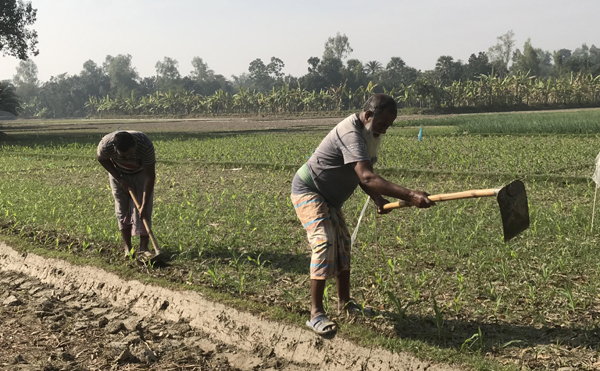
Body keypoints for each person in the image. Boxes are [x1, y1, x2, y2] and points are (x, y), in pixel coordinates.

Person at [291, 94, 435, 336]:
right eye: (381, 125)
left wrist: (378, 198)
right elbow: (368, 176)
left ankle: (345, 303)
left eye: (389, 126)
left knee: (344, 243)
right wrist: (410, 195)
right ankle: (316, 313)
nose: (384, 131)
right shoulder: (350, 134)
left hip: (330, 198)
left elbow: (362, 176)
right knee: (324, 241)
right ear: (368, 115)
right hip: (310, 190)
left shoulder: (369, 135)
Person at [97, 130, 156, 258]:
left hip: (140, 172)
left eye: (130, 154)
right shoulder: (106, 145)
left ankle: (144, 248)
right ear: (115, 149)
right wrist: (119, 178)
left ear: (135, 146)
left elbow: (150, 176)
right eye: (123, 156)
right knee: (122, 208)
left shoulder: (145, 145)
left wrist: (144, 205)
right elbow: (101, 158)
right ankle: (128, 248)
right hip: (119, 172)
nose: (127, 158)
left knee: (144, 209)